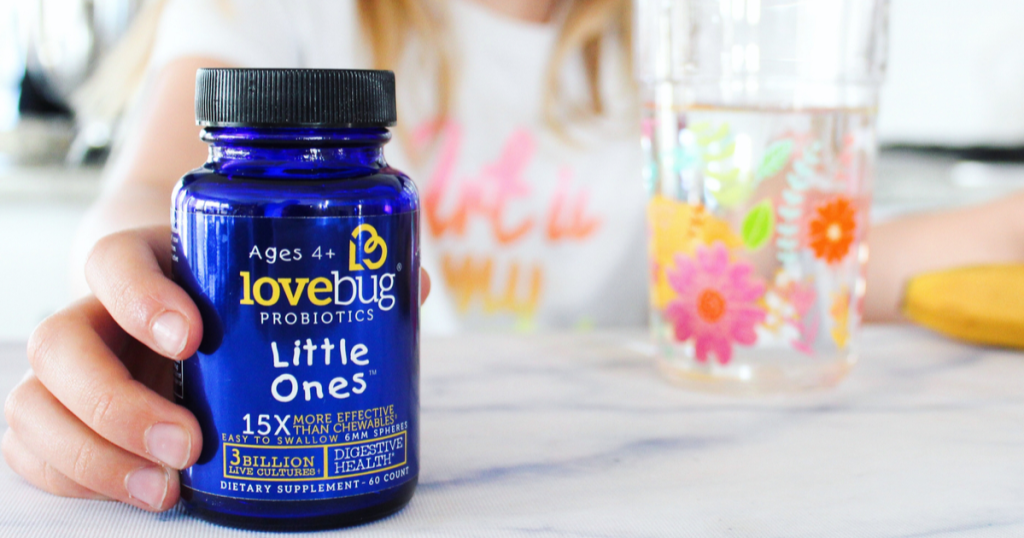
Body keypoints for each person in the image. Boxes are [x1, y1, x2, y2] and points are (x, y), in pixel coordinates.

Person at [4, 0, 1024, 513]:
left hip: (629, 476)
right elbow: (155, 191)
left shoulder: (684, 29)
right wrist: (142, 290)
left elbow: (804, 259)